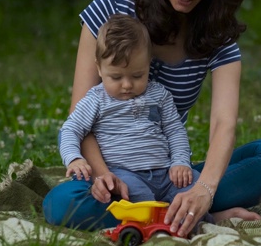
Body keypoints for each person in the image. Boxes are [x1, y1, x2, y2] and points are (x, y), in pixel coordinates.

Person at [43, 0, 261, 236]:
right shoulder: (110, 10)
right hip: (115, 176)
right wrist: (102, 176)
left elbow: (224, 124)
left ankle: (176, 209)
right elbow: (79, 120)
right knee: (61, 204)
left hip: (170, 174)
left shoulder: (217, 34)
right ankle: (196, 215)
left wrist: (204, 188)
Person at [57, 14, 212, 230]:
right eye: (116, 77)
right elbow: (71, 129)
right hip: (125, 174)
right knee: (138, 199)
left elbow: (175, 131)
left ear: (149, 64)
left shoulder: (160, 95)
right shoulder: (96, 99)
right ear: (99, 68)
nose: (127, 85)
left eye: (137, 75)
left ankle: (200, 219)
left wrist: (180, 162)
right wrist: (74, 159)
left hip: (165, 173)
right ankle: (160, 225)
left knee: (194, 184)